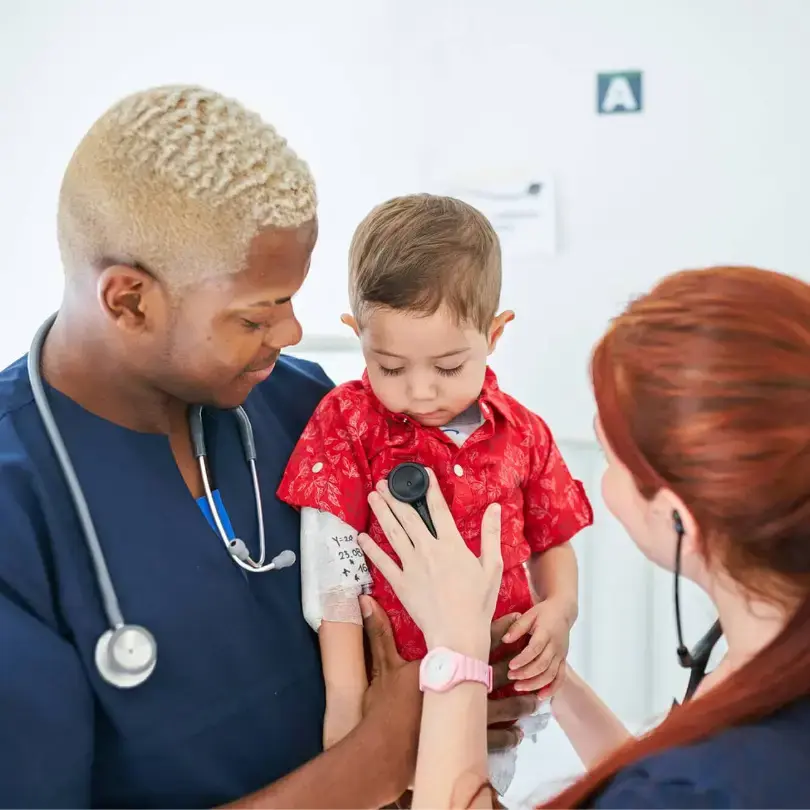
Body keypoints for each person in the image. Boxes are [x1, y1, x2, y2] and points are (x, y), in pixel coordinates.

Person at [0, 85, 536, 809]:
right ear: (129, 300)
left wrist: (470, 685)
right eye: (257, 315)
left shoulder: (310, 408)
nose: (289, 334)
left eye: (291, 299)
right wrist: (373, 760)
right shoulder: (17, 506)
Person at [359, 265, 810, 808]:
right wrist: (555, 681)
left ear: (677, 520)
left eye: (607, 450)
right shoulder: (765, 665)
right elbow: (644, 777)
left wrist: (456, 648)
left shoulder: (711, 784)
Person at [276, 194, 593, 791]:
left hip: (496, 697)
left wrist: (560, 611)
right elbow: (334, 569)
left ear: (494, 335)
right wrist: (347, 706)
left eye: (447, 368)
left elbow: (554, 541)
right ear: (357, 334)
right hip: (390, 698)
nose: (419, 391)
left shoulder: (523, 433)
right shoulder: (347, 422)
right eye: (389, 367)